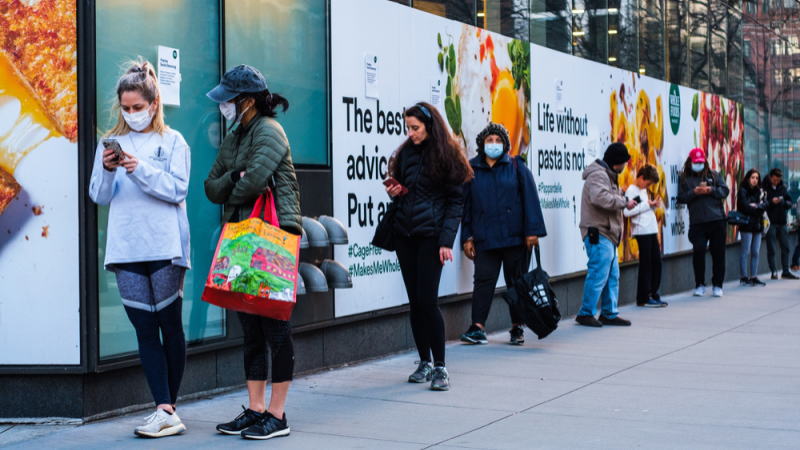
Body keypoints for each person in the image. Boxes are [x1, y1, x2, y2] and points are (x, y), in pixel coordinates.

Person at [88, 60, 190, 438]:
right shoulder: (108, 144)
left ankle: (167, 408)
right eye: (126, 108)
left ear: (153, 102)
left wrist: (139, 169)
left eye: (137, 107)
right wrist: (109, 167)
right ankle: (164, 409)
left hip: (165, 245)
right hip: (126, 247)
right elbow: (98, 195)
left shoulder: (173, 141)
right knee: (144, 330)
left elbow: (178, 189)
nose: (131, 114)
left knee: (169, 325)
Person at [204, 65, 301, 440]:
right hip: (242, 237)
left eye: (229, 99)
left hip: (272, 237)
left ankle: (278, 415)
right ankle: (256, 408)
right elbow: (211, 187)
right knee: (250, 329)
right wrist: (233, 179)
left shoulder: (270, 131)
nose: (225, 106)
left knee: (275, 326)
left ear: (246, 100)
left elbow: (256, 183)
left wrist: (238, 183)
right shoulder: (237, 133)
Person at [385, 102, 471, 391]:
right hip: (405, 235)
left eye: (416, 128)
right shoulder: (406, 153)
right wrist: (395, 191)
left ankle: (441, 367)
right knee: (415, 302)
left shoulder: (447, 155)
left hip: (431, 238)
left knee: (428, 301)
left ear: (430, 125)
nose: (411, 133)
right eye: (408, 128)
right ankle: (423, 361)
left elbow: (456, 202)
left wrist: (446, 241)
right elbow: (406, 194)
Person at [459, 123, 547, 346]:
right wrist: (467, 237)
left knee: (516, 282)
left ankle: (517, 327)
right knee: (483, 281)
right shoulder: (471, 169)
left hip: (515, 237)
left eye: (498, 141)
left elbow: (530, 199)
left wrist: (532, 232)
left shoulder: (516, 167)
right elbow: (465, 206)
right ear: (482, 143)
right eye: (490, 140)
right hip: (484, 237)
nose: (494, 145)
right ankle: (477, 327)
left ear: (505, 144)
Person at [576, 143, 635, 327]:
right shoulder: (598, 175)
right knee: (598, 274)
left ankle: (609, 313)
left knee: (612, 276)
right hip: (598, 232)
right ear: (617, 163)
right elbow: (599, 198)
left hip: (608, 234)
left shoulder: (609, 176)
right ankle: (585, 313)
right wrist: (624, 202)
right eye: (624, 162)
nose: (625, 166)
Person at [677, 147, 730, 297]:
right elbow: (681, 198)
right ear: (690, 161)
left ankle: (718, 285)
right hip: (697, 221)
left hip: (717, 219)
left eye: (701, 162)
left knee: (718, 254)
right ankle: (699, 284)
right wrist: (694, 192)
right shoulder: (684, 178)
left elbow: (725, 191)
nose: (698, 164)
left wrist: (711, 190)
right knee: (698, 251)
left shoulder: (714, 175)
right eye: (696, 162)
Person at [623, 165, 668, 307]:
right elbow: (627, 212)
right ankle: (644, 296)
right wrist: (647, 205)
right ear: (641, 178)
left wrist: (652, 205)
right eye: (648, 183)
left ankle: (653, 293)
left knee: (656, 263)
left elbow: (642, 207)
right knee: (646, 264)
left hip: (650, 229)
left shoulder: (642, 190)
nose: (648, 186)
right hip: (642, 231)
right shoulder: (631, 190)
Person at [762, 168, 798, 280]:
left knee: (785, 247)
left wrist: (783, 202)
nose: (776, 182)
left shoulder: (783, 187)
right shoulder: (764, 188)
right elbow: (762, 204)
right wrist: (771, 202)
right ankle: (773, 272)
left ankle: (785, 271)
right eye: (774, 179)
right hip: (770, 222)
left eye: (778, 180)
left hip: (782, 222)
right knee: (771, 248)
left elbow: (789, 202)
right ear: (770, 177)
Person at [737, 169, 767, 286]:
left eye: (757, 178)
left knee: (756, 252)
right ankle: (744, 277)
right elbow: (744, 207)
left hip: (758, 224)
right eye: (752, 177)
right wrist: (757, 207)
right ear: (748, 178)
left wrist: (756, 206)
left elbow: (765, 204)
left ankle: (754, 276)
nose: (755, 180)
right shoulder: (743, 190)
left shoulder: (760, 191)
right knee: (745, 252)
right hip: (746, 224)